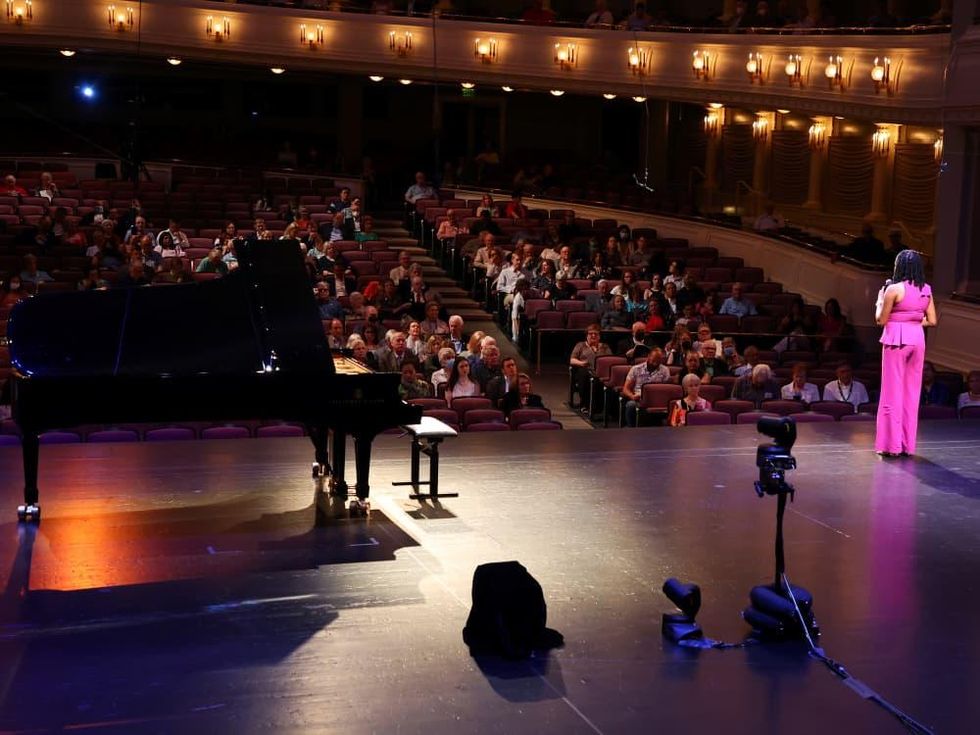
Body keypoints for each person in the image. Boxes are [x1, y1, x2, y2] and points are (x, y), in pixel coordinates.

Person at [875, 250, 937, 456]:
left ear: (899, 266)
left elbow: (880, 320)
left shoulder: (893, 289)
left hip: (896, 340)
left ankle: (891, 446)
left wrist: (879, 300)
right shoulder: (926, 289)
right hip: (917, 339)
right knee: (911, 393)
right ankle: (907, 446)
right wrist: (913, 322)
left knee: (892, 393)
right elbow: (933, 321)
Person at [622, 348, 671, 426]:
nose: (656, 362)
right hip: (640, 398)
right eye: (654, 359)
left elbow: (667, 389)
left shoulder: (665, 370)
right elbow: (625, 389)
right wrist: (632, 396)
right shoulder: (636, 369)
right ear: (648, 356)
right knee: (630, 405)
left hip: (658, 400)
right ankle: (631, 429)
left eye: (659, 360)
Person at [569, 324, 612, 411]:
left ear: (599, 336)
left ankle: (603, 408)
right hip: (586, 370)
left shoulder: (605, 347)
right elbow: (572, 360)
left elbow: (611, 359)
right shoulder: (580, 345)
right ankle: (585, 405)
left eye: (596, 334)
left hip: (601, 372)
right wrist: (581, 363)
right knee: (583, 374)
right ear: (587, 335)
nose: (593, 336)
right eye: (590, 333)